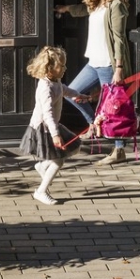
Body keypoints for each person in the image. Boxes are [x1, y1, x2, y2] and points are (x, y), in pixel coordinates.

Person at [55, 0, 133, 166]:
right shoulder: (96, 4)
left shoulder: (116, 5)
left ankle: (119, 150)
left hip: (108, 64)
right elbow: (82, 9)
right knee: (72, 93)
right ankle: (93, 124)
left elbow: (119, 39)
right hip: (94, 61)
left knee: (114, 108)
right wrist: (65, 9)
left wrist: (119, 68)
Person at [17, 45, 88, 205]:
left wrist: (77, 95)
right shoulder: (45, 88)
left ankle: (42, 166)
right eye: (61, 65)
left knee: (70, 150)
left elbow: (62, 89)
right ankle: (40, 191)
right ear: (49, 68)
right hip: (44, 127)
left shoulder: (55, 81)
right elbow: (48, 113)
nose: (65, 68)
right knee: (59, 160)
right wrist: (55, 135)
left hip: (51, 126)